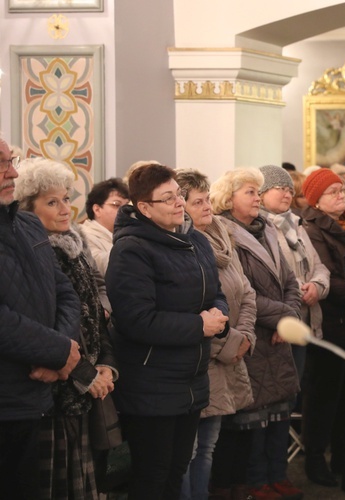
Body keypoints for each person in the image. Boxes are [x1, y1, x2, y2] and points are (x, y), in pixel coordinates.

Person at [106, 163, 230, 500]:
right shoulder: (132, 249)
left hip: (190, 378)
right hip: (151, 383)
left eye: (178, 194)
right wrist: (198, 325)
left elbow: (215, 292)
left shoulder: (196, 242)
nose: (179, 203)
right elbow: (136, 319)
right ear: (144, 208)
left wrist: (220, 315)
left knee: (177, 470)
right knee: (152, 476)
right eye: (168, 198)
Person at [16, 158, 118, 499]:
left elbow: (94, 312)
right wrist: (85, 373)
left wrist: (105, 364)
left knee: (86, 483)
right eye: (51, 202)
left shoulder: (75, 245)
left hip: (85, 386)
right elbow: (49, 324)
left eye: (65, 198)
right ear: (27, 209)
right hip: (58, 388)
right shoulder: (32, 251)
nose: (65, 209)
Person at [212, 168, 303, 500]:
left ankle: (276, 474)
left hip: (279, 333)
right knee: (253, 419)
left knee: (279, 411)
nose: (257, 197)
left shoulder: (268, 229)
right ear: (229, 197)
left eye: (257, 191)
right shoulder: (226, 233)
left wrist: (288, 315)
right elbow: (242, 291)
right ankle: (255, 481)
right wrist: (283, 316)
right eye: (250, 191)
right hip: (253, 333)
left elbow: (290, 281)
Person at [0, 139, 82, 499]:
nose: (12, 172)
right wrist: (59, 350)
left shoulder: (29, 227)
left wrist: (61, 355)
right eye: (1, 164)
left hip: (34, 395)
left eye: (11, 161)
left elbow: (64, 292)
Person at [176, 169, 256, 500]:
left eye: (208, 198)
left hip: (230, 354)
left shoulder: (223, 236)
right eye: (198, 201)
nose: (208, 206)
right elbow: (191, 309)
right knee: (188, 452)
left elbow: (246, 291)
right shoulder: (184, 245)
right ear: (179, 206)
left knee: (208, 448)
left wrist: (245, 335)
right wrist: (229, 344)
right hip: (202, 358)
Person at [300, 168, 345, 493]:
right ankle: (314, 458)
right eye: (333, 192)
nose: (341, 196)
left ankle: (344, 457)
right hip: (330, 322)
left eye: (342, 190)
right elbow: (326, 273)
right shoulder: (311, 229)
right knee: (324, 396)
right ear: (316, 200)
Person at [258, 164, 330, 390]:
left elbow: (319, 265)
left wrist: (318, 286)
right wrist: (298, 288)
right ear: (261, 193)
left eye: (290, 189)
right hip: (278, 322)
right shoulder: (259, 227)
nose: (288, 194)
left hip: (306, 317)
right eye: (280, 188)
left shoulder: (296, 224)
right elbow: (273, 272)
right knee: (279, 390)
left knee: (296, 389)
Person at [80, 178, 129, 277]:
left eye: (127, 206)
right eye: (116, 205)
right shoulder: (84, 236)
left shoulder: (123, 234)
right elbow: (100, 266)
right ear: (97, 209)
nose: (124, 210)